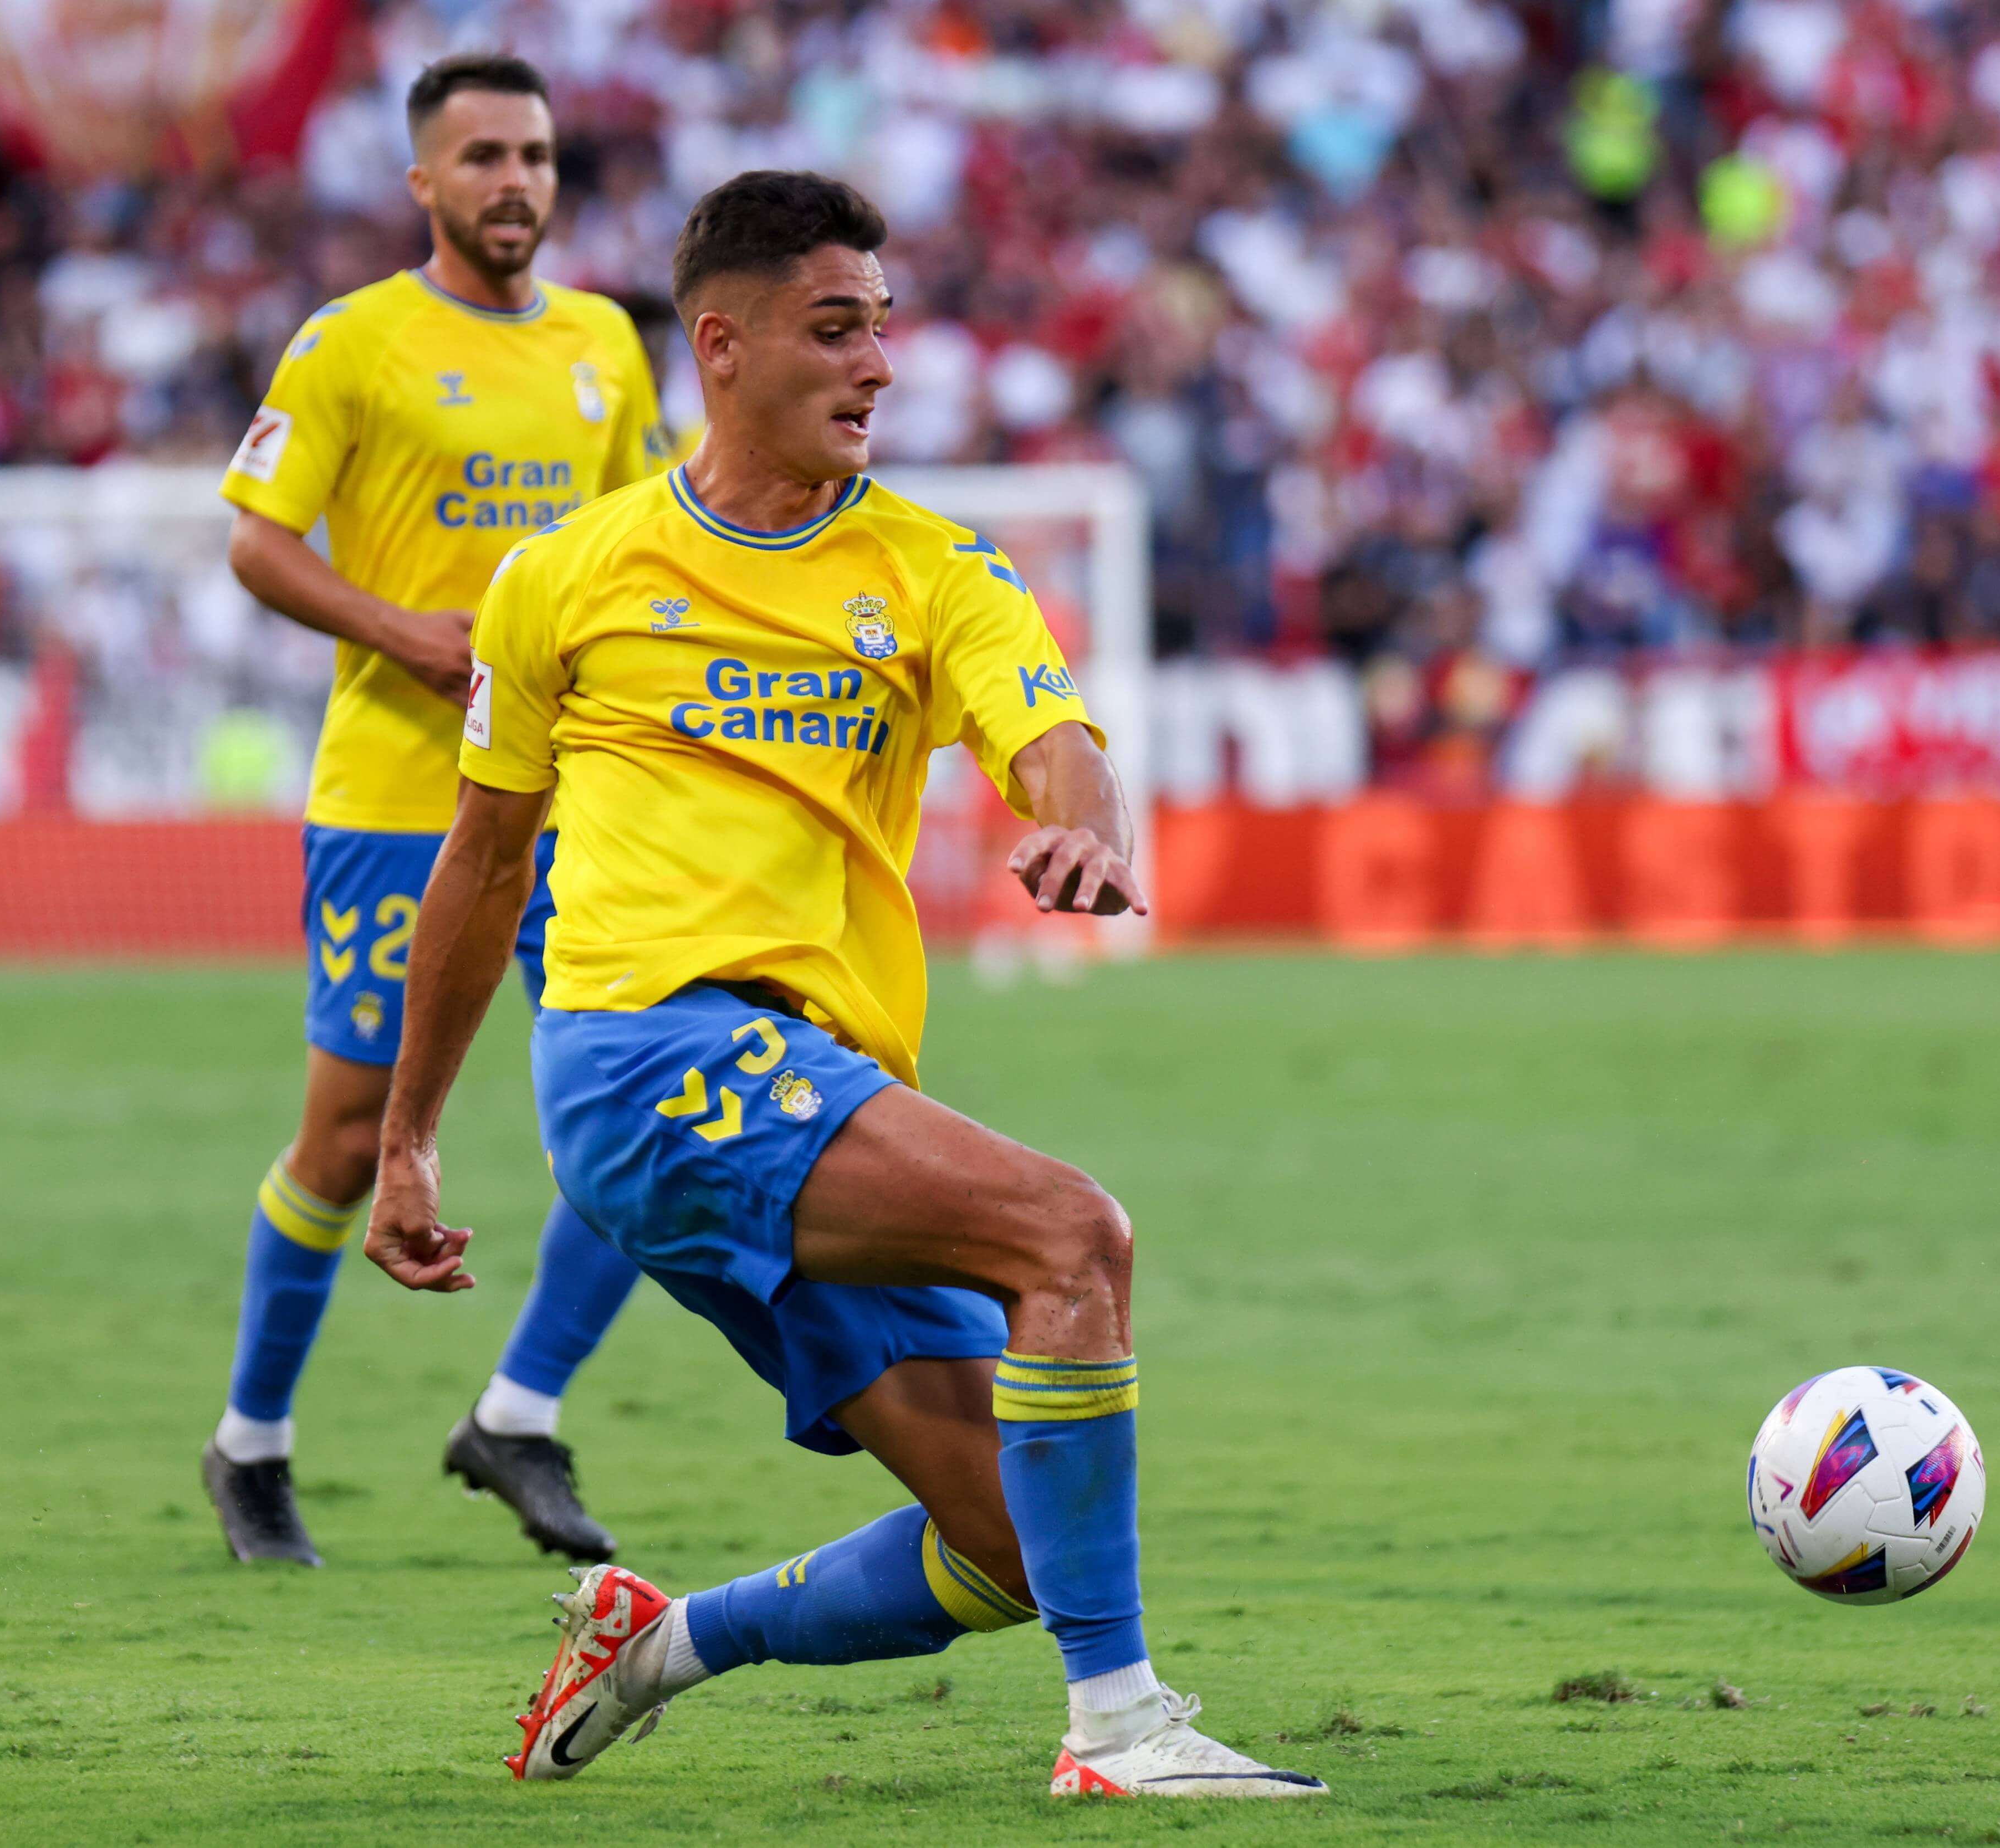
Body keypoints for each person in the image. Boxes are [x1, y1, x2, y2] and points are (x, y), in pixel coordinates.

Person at [363, 169, 1325, 1800]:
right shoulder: (569, 579)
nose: (877, 365)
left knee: (1018, 1548)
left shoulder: (936, 569)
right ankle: (1123, 1734)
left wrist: (1077, 831)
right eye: (834, 330)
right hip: (643, 1060)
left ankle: (662, 1643)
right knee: (1072, 1234)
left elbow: (1057, 742)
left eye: (883, 328)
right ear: (722, 346)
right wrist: (406, 1141)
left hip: (812, 1085)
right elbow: (479, 869)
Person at [206, 53, 663, 1567]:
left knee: (641, 1111)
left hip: (570, 803)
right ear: (423, 184)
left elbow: (642, 544)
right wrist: (405, 628)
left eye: (533, 154)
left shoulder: (607, 345)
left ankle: (518, 1416)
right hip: (399, 802)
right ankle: (251, 1446)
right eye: (480, 157)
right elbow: (260, 546)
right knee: (347, 1144)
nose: (514, 180)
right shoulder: (352, 347)